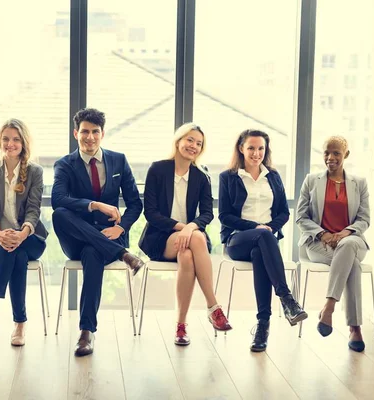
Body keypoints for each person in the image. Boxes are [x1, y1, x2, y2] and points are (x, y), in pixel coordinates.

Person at [51, 108, 144, 357]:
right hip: (76, 238)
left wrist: (121, 227)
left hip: (110, 233)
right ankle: (124, 254)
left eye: (94, 132)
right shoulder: (65, 164)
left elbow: (136, 204)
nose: (89, 137)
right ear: (75, 133)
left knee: (94, 253)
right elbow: (57, 198)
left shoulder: (119, 161)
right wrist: (94, 205)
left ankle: (85, 332)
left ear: (103, 133)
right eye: (84, 132)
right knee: (59, 213)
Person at [139, 123, 232, 346]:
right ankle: (213, 307)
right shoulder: (158, 169)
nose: (193, 146)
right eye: (189, 140)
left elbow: (208, 214)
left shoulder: (202, 176)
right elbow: (150, 213)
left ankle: (181, 327)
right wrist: (185, 228)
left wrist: (191, 227)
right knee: (197, 238)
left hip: (191, 242)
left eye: (199, 143)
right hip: (161, 237)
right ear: (178, 141)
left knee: (188, 256)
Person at [218, 129, 307, 352]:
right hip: (237, 240)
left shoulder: (273, 176)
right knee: (264, 237)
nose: (256, 153)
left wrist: (268, 228)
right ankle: (287, 299)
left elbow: (283, 213)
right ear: (241, 148)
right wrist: (257, 228)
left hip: (264, 242)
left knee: (261, 252)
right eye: (251, 148)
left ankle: (262, 326)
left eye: (260, 149)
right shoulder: (228, 177)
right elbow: (225, 215)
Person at [0, 119, 48, 346]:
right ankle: (20, 324)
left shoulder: (35, 171)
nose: (10, 144)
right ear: (0, 141)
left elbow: (34, 209)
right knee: (16, 255)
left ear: (23, 143)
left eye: (15, 139)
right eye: (6, 139)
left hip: (30, 238)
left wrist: (22, 234)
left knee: (19, 249)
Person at [296, 136, 370, 352]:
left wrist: (346, 232)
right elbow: (301, 217)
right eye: (327, 152)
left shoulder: (360, 183)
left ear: (345, 155)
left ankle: (329, 306)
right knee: (352, 265)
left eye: (336, 153)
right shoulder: (311, 180)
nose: (330, 157)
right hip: (320, 244)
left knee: (348, 248)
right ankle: (355, 328)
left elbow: (364, 219)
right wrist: (322, 234)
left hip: (352, 240)